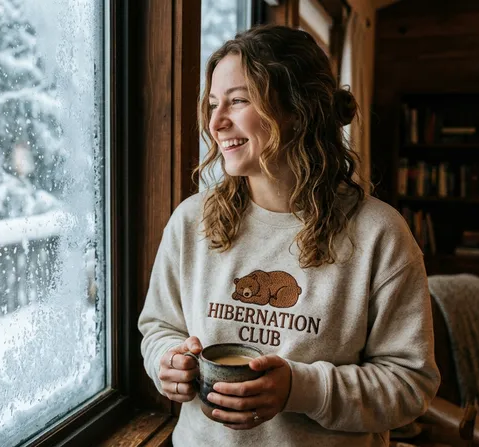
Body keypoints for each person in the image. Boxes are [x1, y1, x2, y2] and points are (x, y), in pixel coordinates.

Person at [138, 24, 440, 446]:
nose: (216, 121)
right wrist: (166, 362)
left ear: (299, 109)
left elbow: (410, 385)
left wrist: (301, 390)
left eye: (238, 100)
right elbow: (159, 327)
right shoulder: (192, 221)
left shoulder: (380, 235)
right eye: (212, 104)